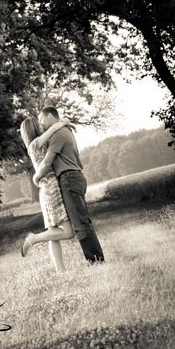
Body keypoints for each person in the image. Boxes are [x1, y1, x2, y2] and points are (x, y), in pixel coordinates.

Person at [34, 106, 105, 264]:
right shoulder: (64, 130)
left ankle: (96, 260)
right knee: (82, 221)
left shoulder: (58, 133)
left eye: (42, 119)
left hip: (69, 178)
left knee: (80, 223)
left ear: (51, 116)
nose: (41, 124)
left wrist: (37, 176)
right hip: (74, 176)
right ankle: (96, 258)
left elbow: (46, 162)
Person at [19, 116, 75, 272]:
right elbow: (51, 130)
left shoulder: (42, 143)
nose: (42, 124)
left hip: (47, 189)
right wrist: (62, 123)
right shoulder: (34, 145)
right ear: (34, 129)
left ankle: (60, 271)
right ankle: (33, 238)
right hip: (51, 190)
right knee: (68, 232)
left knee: (53, 232)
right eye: (39, 124)